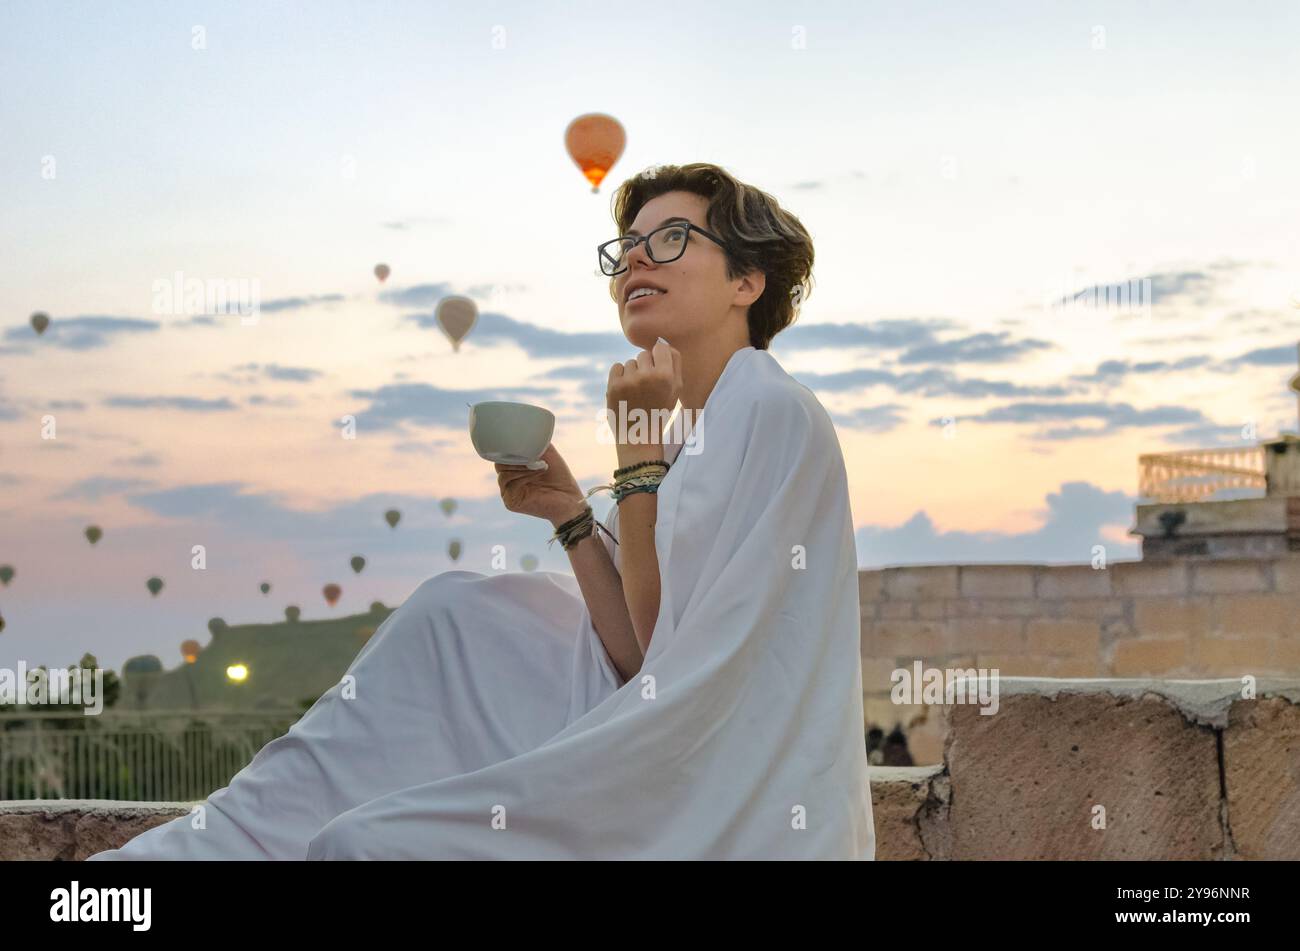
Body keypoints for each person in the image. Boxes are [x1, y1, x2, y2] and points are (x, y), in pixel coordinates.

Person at [88, 162, 875, 860]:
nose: (635, 257)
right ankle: (225, 843)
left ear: (748, 281)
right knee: (455, 610)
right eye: (625, 247)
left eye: (670, 238)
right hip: (669, 734)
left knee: (367, 840)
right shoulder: (691, 430)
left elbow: (669, 662)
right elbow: (641, 646)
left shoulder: (770, 408)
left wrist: (634, 454)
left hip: (717, 786)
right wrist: (571, 514)